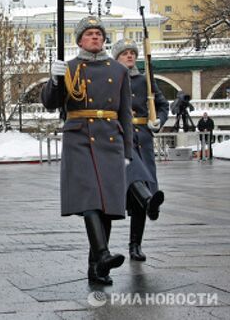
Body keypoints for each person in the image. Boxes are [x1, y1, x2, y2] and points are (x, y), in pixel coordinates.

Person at [41, 16, 133, 285]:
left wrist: (128, 150)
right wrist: (55, 80)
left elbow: (125, 112)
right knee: (91, 198)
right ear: (79, 40)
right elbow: (51, 103)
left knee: (107, 205)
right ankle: (103, 254)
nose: (95, 37)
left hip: (110, 139)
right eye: (89, 34)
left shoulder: (119, 71)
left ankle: (97, 267)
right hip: (79, 136)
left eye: (98, 33)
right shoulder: (69, 68)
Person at [112, 39, 168, 262]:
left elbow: (162, 105)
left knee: (141, 189)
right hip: (122, 137)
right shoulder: (112, 79)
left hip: (143, 138)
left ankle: (135, 245)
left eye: (132, 53)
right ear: (116, 57)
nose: (129, 56)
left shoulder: (145, 80)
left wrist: (158, 121)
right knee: (135, 178)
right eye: (125, 53)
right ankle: (149, 203)